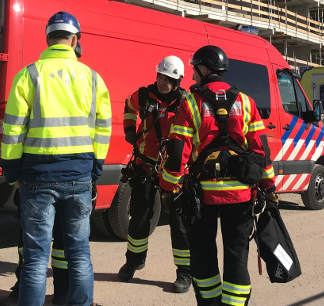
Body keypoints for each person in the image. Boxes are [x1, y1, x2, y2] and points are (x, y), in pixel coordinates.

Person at [1, 11, 111, 306]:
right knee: (79, 254)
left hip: (37, 177)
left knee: (36, 260)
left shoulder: (28, 75)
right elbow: (103, 127)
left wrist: (11, 170)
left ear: (48, 39)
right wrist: (96, 166)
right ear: (75, 40)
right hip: (78, 175)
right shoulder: (92, 77)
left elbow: (13, 129)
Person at [159, 46, 277, 306]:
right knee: (237, 257)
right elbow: (261, 151)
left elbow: (178, 153)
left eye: (194, 70)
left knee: (203, 255)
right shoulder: (246, 102)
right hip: (241, 196)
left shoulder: (191, 103)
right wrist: (269, 187)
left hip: (204, 198)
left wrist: (168, 187)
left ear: (204, 69)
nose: (192, 76)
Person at [118, 56, 192, 293]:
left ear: (177, 81)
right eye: (160, 76)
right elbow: (128, 108)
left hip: (175, 171)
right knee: (140, 217)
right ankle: (134, 261)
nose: (162, 82)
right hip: (145, 166)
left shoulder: (187, 102)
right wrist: (130, 130)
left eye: (168, 79)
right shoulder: (142, 96)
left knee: (180, 223)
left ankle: (184, 273)